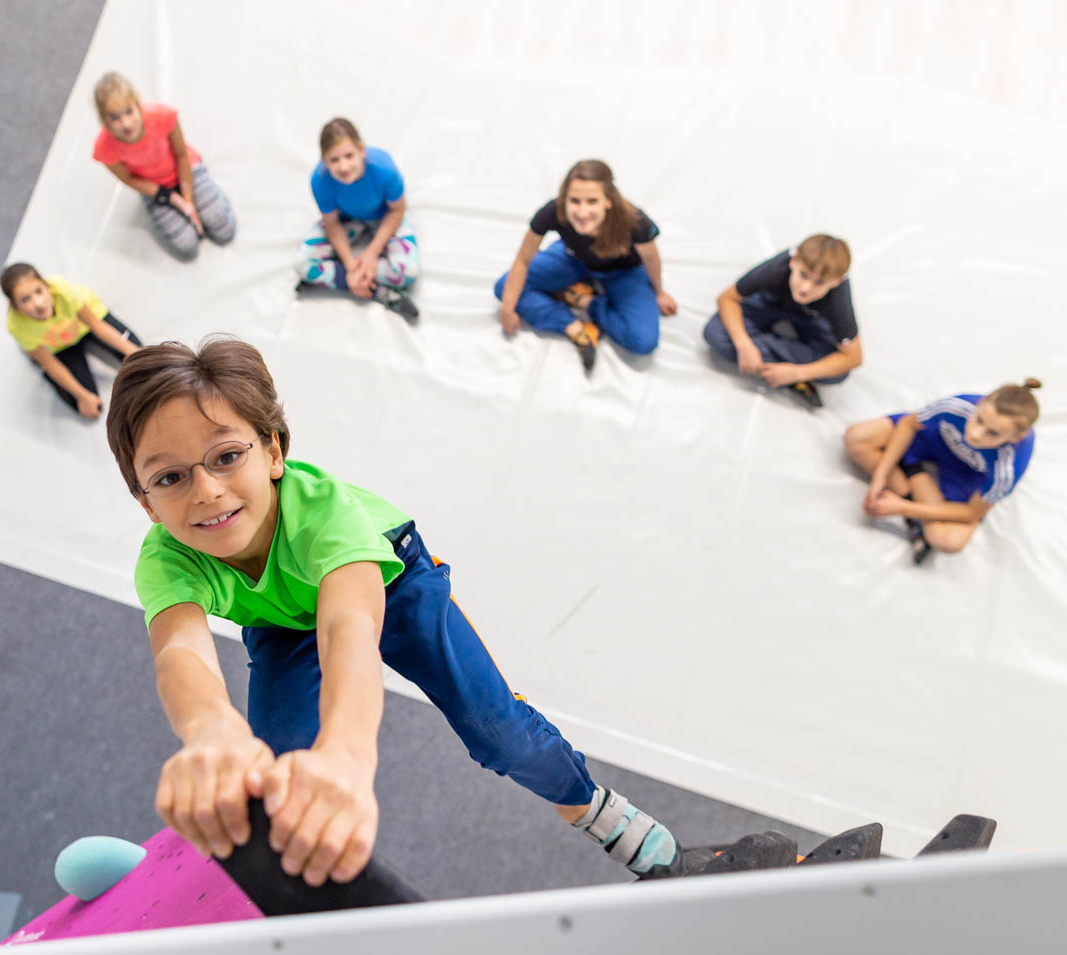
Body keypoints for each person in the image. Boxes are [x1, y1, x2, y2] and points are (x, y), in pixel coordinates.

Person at [106, 338, 691, 887]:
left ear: (274, 451)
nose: (205, 491)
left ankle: (594, 809)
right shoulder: (166, 558)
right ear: (145, 503)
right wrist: (213, 733)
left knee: (498, 731)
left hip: (391, 579)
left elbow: (349, 631)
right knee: (281, 760)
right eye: (169, 478)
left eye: (227, 456)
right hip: (284, 621)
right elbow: (181, 650)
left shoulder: (326, 516)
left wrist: (348, 755)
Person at [494, 160, 677, 373]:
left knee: (643, 341)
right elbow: (523, 261)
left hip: (623, 273)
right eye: (574, 201)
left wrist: (660, 292)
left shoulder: (635, 221)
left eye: (592, 201)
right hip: (573, 259)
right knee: (505, 288)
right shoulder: (552, 212)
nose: (582, 212)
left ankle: (584, 300)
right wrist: (507, 310)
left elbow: (652, 260)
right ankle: (573, 327)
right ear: (564, 199)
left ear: (608, 201)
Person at [842, 380, 1041, 561]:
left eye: (993, 433)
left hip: (967, 472)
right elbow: (909, 424)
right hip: (934, 440)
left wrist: (902, 507)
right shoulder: (960, 406)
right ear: (980, 403)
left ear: (1016, 438)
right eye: (979, 420)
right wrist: (879, 478)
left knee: (948, 541)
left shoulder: (1009, 466)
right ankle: (911, 488)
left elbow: (971, 512)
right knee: (858, 438)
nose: (975, 434)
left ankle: (911, 471)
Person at [92, 71, 236, 261]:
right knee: (187, 248)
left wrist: (189, 201)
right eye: (115, 118)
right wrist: (172, 198)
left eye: (129, 111)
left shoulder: (163, 116)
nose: (126, 123)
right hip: (154, 190)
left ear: (138, 104)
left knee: (224, 230)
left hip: (186, 171)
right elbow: (127, 178)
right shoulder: (104, 149)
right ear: (104, 121)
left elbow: (181, 155)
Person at [703, 235, 860, 409]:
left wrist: (797, 373)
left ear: (836, 282)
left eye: (819, 283)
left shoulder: (838, 299)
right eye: (803, 275)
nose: (805, 288)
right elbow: (727, 299)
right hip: (770, 303)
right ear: (793, 261)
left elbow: (853, 357)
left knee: (839, 373)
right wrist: (743, 344)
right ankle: (775, 359)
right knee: (715, 333)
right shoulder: (778, 267)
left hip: (812, 319)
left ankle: (771, 362)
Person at [294, 118, 419, 321]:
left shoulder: (385, 170)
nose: (343, 166)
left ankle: (336, 276)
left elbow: (397, 210)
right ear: (324, 160)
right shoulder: (319, 181)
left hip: (384, 216)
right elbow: (332, 223)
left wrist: (372, 252)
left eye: (349, 156)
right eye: (334, 160)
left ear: (362, 151)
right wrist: (351, 265)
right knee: (302, 264)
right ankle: (380, 292)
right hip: (346, 220)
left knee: (409, 271)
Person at [0, 262, 142, 418]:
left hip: (86, 325)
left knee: (140, 353)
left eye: (39, 291)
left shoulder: (64, 291)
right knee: (86, 405)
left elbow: (96, 326)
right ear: (15, 306)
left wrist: (135, 353)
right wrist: (83, 397)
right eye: (25, 299)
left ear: (47, 286)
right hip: (59, 346)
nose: (38, 303)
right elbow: (49, 363)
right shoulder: (16, 326)